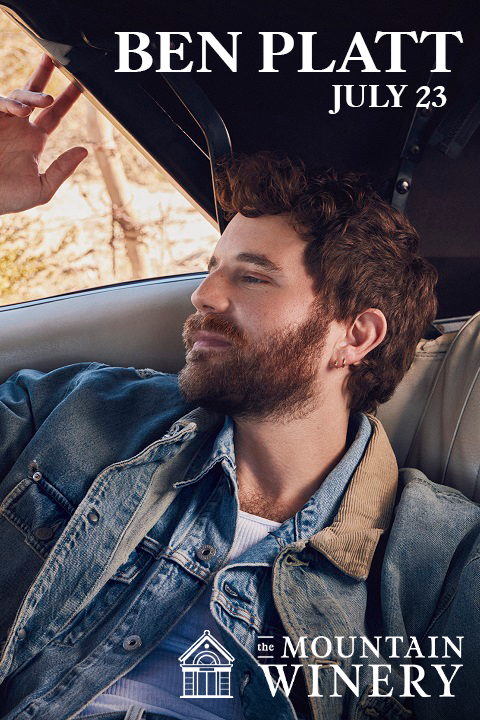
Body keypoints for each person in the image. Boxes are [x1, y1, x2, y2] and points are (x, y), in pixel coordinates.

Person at [0, 55, 479, 720]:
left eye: (251, 277)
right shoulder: (73, 413)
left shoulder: (439, 561)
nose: (203, 295)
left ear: (357, 335)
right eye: (211, 268)